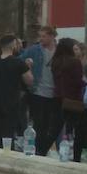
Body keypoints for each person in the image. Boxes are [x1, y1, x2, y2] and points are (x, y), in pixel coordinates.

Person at [0, 35, 33, 148]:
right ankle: (6, 151)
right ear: (13, 45)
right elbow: (29, 81)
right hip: (12, 102)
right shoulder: (19, 63)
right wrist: (29, 67)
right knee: (8, 132)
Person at [20, 26, 59, 156]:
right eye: (40, 36)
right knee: (38, 123)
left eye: (44, 36)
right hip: (37, 91)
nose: (41, 39)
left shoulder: (59, 52)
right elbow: (19, 61)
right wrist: (27, 64)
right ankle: (36, 150)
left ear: (52, 36)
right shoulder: (34, 50)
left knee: (49, 124)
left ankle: (42, 150)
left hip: (54, 93)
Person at [51, 38, 87, 162]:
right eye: (75, 48)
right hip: (74, 100)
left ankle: (44, 149)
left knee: (57, 129)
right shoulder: (75, 62)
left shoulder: (56, 61)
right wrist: (86, 83)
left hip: (58, 98)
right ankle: (75, 157)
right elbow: (78, 81)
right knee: (77, 130)